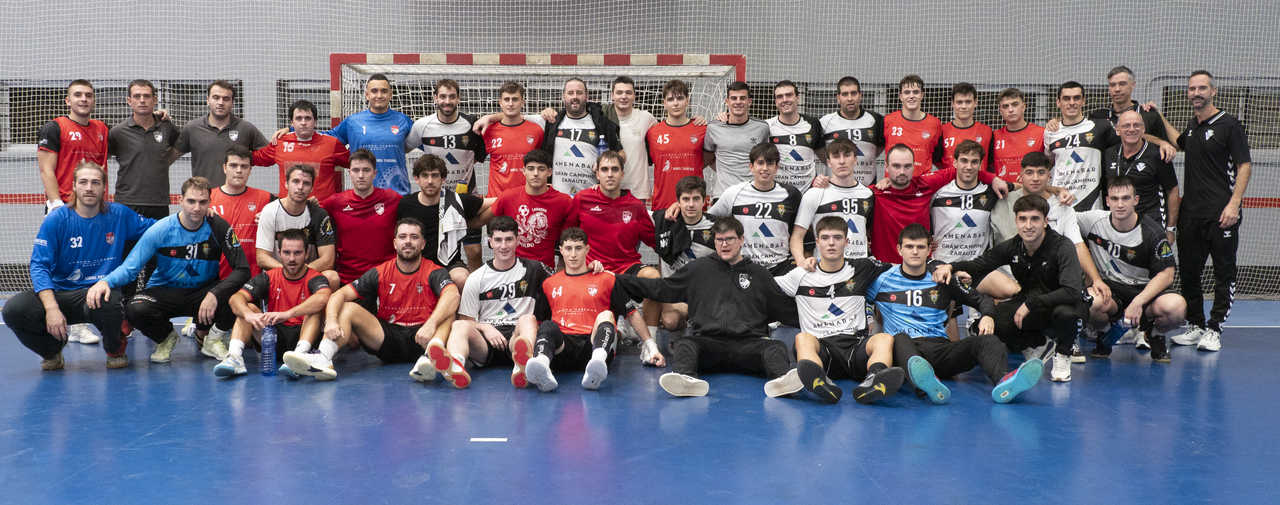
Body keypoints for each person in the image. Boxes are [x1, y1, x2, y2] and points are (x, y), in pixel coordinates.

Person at [616, 217, 802, 398]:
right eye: (719, 240)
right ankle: (686, 380)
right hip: (709, 344)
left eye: (729, 239)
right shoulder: (699, 269)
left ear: (741, 239)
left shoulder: (759, 274)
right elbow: (662, 288)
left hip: (749, 344)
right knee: (685, 344)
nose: (724, 244)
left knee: (775, 346)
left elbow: (785, 309)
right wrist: (616, 279)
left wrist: (817, 324)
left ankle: (782, 381)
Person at [3, 162, 155, 370]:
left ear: (104, 187)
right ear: (74, 186)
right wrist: (51, 308)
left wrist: (191, 218)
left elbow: (158, 229)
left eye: (95, 183)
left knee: (111, 301)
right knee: (14, 310)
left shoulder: (119, 215)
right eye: (83, 182)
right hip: (61, 293)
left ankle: (114, 349)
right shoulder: (57, 219)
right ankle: (52, 350)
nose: (89, 188)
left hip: (99, 293)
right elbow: (39, 265)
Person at [871, 224, 1042, 404]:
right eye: (909, 246)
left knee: (987, 340)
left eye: (920, 247)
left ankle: (1003, 381)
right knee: (899, 338)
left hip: (939, 349)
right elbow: (855, 295)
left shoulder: (943, 278)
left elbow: (982, 300)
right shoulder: (882, 280)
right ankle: (924, 384)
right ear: (899, 249)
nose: (915, 252)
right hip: (905, 350)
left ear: (929, 250)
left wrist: (987, 316)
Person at [87, 177, 252, 363]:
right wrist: (105, 281)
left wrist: (215, 293)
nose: (197, 208)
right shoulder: (161, 229)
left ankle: (213, 339)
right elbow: (130, 268)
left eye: (203, 202)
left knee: (237, 293)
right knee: (134, 308)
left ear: (209, 203)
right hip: (165, 291)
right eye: (191, 201)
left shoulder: (218, 226)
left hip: (203, 294)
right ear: (180, 200)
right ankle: (166, 338)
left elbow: (243, 270)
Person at [939, 194, 1086, 383]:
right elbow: (978, 265)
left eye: (1035, 219)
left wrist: (1031, 303)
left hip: (1066, 305)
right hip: (1033, 306)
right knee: (991, 323)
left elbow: (1072, 291)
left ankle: (1063, 355)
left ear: (1045, 222)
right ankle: (1038, 344)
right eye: (1023, 219)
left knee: (1066, 314)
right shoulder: (1013, 246)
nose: (1028, 225)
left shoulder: (1062, 246)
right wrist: (950, 267)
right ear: (1016, 221)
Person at [299, 218, 459, 376]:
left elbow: (453, 295)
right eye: (403, 237)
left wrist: (431, 324)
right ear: (395, 243)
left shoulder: (435, 272)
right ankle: (323, 356)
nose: (408, 241)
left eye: (414, 237)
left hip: (423, 338)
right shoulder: (380, 272)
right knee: (347, 308)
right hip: (388, 339)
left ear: (423, 244)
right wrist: (331, 320)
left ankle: (430, 357)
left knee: (449, 309)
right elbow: (339, 294)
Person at [775, 216, 899, 404]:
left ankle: (874, 380)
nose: (831, 243)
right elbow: (762, 285)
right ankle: (819, 380)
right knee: (802, 338)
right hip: (821, 350)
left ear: (846, 241)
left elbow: (901, 268)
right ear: (817, 242)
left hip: (856, 349)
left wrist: (937, 266)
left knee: (884, 338)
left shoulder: (862, 267)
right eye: (825, 238)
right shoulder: (800, 275)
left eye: (837, 237)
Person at [517, 227, 656, 392]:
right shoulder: (549, 283)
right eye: (568, 248)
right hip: (563, 349)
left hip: (593, 345)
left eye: (578, 248)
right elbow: (540, 323)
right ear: (561, 250)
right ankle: (542, 368)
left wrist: (652, 347)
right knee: (547, 325)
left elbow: (632, 314)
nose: (573, 254)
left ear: (587, 249)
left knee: (606, 315)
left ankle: (596, 366)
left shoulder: (607, 279)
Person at [1172, 70, 1252, 352]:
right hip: (1190, 214)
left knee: (1223, 273)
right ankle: (1195, 324)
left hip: (1222, 214)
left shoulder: (1230, 124)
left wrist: (1234, 203)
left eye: (1202, 88)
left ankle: (1215, 329)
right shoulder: (1192, 127)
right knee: (1189, 272)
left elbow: (1244, 166)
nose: (1196, 93)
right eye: (1192, 89)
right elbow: (1178, 142)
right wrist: (1156, 120)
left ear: (1213, 91)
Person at [423, 216, 552, 388]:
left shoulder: (534, 268)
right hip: (485, 343)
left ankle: (522, 366)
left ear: (518, 240)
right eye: (498, 240)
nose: (503, 246)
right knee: (459, 325)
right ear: (490, 242)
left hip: (516, 338)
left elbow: (561, 281)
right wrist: (485, 328)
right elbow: (466, 319)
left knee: (528, 318)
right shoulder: (477, 277)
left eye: (509, 239)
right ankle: (456, 364)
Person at [1078, 177, 1185, 362]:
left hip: (1146, 293)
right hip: (1112, 292)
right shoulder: (1093, 221)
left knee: (1176, 308)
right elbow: (1059, 217)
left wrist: (1138, 302)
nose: (1120, 204)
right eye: (1115, 198)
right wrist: (1056, 191)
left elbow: (1167, 275)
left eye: (1126, 198)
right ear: (1107, 201)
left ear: (1136, 200)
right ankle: (1105, 336)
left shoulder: (1152, 232)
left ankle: (1155, 335)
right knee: (1088, 302)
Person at [107, 79, 179, 336]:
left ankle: (148, 314)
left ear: (155, 100)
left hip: (158, 205)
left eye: (147, 96)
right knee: (128, 262)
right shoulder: (117, 132)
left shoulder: (167, 128)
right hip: (127, 205)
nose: (142, 100)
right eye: (136, 96)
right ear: (129, 101)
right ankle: (125, 316)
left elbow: (179, 147)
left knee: (155, 264)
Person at [931, 140, 1021, 337]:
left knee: (1017, 294)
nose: (969, 166)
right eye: (964, 161)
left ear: (981, 165)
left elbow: (1027, 187)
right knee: (945, 317)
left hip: (977, 267)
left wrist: (1057, 191)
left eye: (974, 162)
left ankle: (981, 325)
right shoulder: (937, 192)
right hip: (944, 267)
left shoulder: (991, 191)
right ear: (955, 163)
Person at [216, 229, 331, 378]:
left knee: (316, 310)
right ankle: (234, 357)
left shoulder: (316, 277)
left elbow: (323, 298)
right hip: (273, 339)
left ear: (306, 254)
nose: (292, 258)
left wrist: (288, 314)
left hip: (305, 335)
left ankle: (299, 357)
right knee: (247, 307)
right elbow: (236, 298)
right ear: (279, 253)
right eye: (287, 253)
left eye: (297, 253)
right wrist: (248, 314)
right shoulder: (269, 277)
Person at [870, 144, 1007, 264]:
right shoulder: (873, 194)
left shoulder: (925, 185)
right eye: (896, 166)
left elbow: (962, 170)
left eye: (907, 166)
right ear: (886, 166)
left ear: (913, 166)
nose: (902, 172)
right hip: (884, 269)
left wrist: (993, 179)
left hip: (921, 268)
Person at [406, 78, 488, 271]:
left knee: (474, 251)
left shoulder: (472, 124)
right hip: (435, 201)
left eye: (452, 97)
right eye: (442, 96)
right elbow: (403, 149)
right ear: (435, 98)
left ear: (458, 98)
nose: (447, 101)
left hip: (465, 199)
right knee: (434, 252)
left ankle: (472, 290)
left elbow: (478, 157)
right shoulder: (422, 125)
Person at [705, 143, 802, 275]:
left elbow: (801, 229)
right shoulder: (734, 193)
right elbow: (707, 219)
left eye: (770, 164)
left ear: (777, 167)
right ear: (751, 167)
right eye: (760, 163)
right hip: (745, 267)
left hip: (780, 266)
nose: (765, 168)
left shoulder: (791, 194)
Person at [397, 154, 491, 290]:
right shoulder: (406, 204)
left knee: (462, 278)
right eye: (425, 176)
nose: (430, 181)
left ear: (443, 179)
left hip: (449, 264)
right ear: (416, 178)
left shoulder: (456, 201)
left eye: (435, 176)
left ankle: (461, 305)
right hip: (416, 262)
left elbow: (497, 202)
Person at [1047, 65, 1180, 162]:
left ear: (1133, 85)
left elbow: (1170, 148)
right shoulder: (1098, 117)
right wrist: (1057, 121)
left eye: (1122, 84)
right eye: (1112, 85)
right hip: (1110, 183)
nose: (1117, 89)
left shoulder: (1149, 115)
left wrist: (1163, 143)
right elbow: (1077, 124)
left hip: (1144, 180)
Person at [319, 74, 414, 195]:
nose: (379, 95)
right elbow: (325, 140)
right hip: (364, 195)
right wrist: (296, 133)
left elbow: (426, 140)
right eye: (374, 91)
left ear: (390, 95)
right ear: (367, 95)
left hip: (398, 194)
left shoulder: (403, 121)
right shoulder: (353, 122)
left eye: (384, 91)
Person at [480, 149, 575, 267]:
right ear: (524, 171)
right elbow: (480, 220)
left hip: (544, 270)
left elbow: (571, 240)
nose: (536, 173)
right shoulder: (508, 197)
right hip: (512, 268)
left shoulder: (564, 202)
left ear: (549, 172)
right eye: (531, 169)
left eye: (541, 169)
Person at [320, 148, 401, 285]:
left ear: (375, 174)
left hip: (385, 279)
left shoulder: (392, 199)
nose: (361, 175)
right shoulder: (335, 202)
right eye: (356, 170)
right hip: (348, 280)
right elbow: (312, 215)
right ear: (349, 173)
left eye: (366, 170)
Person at [791, 138, 874, 267]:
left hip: (859, 267)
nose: (842, 161)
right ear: (829, 163)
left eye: (847, 155)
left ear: (855, 159)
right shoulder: (814, 194)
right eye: (836, 157)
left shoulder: (868, 194)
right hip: (825, 267)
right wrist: (802, 265)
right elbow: (796, 237)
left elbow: (870, 233)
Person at [170, 80, 269, 187]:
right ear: (208, 100)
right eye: (216, 97)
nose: (221, 103)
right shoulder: (192, 128)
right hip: (204, 195)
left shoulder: (246, 129)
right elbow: (167, 159)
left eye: (226, 99)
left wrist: (285, 132)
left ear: (232, 103)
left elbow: (272, 154)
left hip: (235, 194)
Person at [652, 176, 716, 335]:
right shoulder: (663, 221)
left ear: (704, 201)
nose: (691, 204)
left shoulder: (716, 226)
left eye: (696, 199)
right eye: (686, 199)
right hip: (676, 292)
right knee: (671, 321)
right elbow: (633, 210)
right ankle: (681, 332)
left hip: (705, 293)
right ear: (678, 201)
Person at [252, 99, 351, 202]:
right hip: (288, 209)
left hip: (322, 209)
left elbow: (355, 163)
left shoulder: (331, 144)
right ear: (292, 122)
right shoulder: (280, 143)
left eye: (308, 118)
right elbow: (250, 159)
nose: (303, 123)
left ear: (315, 122)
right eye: (298, 118)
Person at [537, 79, 624, 194]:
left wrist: (605, 162)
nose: (575, 97)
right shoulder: (551, 122)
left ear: (587, 97)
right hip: (558, 197)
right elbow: (517, 117)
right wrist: (544, 113)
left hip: (591, 196)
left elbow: (622, 154)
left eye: (579, 93)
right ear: (564, 97)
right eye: (570, 93)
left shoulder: (603, 124)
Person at [1044, 81, 1121, 211]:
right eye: (1066, 98)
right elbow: (1048, 164)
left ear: (1083, 101)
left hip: (1092, 205)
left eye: (1076, 98)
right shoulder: (1050, 132)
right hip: (1061, 203)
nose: (1072, 102)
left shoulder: (1100, 127)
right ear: (1058, 102)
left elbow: (1130, 137)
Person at [1103, 110, 1180, 240]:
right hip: (1119, 226)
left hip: (1151, 224)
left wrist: (1170, 228)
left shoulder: (1157, 155)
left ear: (1143, 129)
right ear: (1118, 130)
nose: (1131, 129)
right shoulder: (1110, 154)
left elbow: (1172, 190)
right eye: (1126, 125)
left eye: (1136, 125)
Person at [254, 165, 337, 282]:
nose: (300, 187)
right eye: (296, 181)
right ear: (286, 184)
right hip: (278, 274)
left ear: (311, 188)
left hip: (308, 275)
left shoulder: (319, 214)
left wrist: (302, 273)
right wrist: (288, 271)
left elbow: (328, 260)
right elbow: (262, 258)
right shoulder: (270, 211)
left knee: (332, 277)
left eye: (306, 183)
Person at [39, 79, 109, 210]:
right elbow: (46, 170)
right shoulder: (55, 127)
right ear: (68, 101)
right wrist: (56, 204)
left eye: (88, 95)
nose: (84, 99)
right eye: (78, 95)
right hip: (65, 204)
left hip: (96, 205)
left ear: (94, 102)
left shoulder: (102, 129)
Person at [211, 146, 274, 279]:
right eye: (233, 165)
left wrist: (272, 219)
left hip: (252, 277)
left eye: (244, 166)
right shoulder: (207, 199)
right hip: (217, 277)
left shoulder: (266, 199)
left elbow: (290, 211)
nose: (239, 170)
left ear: (250, 170)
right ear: (224, 168)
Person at [477, 81, 547, 197]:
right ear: (500, 103)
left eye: (515, 99)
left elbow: (544, 163)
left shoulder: (537, 131)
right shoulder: (488, 131)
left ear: (522, 103)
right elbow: (472, 159)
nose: (510, 104)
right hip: (497, 200)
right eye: (507, 99)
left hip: (526, 199)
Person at [647, 79, 708, 211]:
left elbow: (709, 158)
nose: (675, 103)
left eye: (680, 98)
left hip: (693, 205)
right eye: (670, 99)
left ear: (687, 101)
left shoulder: (702, 129)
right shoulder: (652, 133)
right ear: (664, 103)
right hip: (663, 204)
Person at [704, 81, 771, 197]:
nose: (738, 102)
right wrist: (726, 171)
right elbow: (708, 159)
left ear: (749, 102)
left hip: (752, 193)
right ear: (727, 102)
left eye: (742, 98)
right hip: (722, 194)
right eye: (734, 98)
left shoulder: (762, 128)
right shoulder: (713, 128)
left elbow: (766, 159)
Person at [819, 76, 885, 186]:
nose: (850, 98)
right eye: (845, 94)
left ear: (860, 95)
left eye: (853, 93)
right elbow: (822, 154)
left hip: (867, 188)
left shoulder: (876, 120)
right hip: (834, 188)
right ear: (838, 98)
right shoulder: (825, 122)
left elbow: (878, 150)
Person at [604, 76, 658, 200]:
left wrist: (693, 121)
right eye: (619, 93)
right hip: (609, 190)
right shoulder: (602, 119)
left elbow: (668, 129)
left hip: (637, 192)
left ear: (634, 96)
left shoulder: (645, 118)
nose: (624, 96)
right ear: (612, 95)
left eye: (628, 93)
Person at [766, 80, 825, 190]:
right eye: (780, 97)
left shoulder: (813, 124)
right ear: (776, 102)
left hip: (808, 192)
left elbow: (826, 159)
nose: (785, 100)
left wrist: (828, 179)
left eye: (789, 95)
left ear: (798, 98)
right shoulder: (767, 126)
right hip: (778, 193)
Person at [883, 74, 942, 176]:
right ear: (901, 97)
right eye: (907, 92)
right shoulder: (887, 121)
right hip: (893, 184)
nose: (911, 96)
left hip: (922, 184)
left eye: (915, 92)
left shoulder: (935, 124)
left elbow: (938, 160)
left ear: (922, 95)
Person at [935, 83, 993, 173]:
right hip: (949, 181)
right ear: (953, 104)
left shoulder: (987, 131)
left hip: (978, 181)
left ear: (975, 103)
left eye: (968, 102)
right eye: (959, 102)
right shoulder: (941, 131)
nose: (964, 106)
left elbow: (990, 165)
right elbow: (937, 162)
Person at [991, 88, 1045, 183]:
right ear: (1000, 111)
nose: (1010, 110)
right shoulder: (994, 136)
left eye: (1015, 105)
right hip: (1003, 190)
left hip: (1032, 190)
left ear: (1023, 107)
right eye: (1005, 106)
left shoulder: (1041, 133)